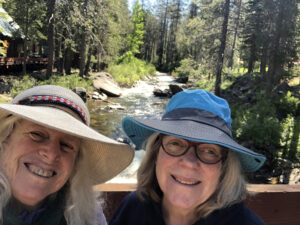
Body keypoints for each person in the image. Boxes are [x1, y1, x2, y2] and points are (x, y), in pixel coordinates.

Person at [109, 89, 266, 225]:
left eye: (209, 151)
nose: (189, 162)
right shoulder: (133, 209)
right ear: (156, 153)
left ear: (224, 168)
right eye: (176, 144)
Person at [0, 85, 134, 225]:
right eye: (36, 134)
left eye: (66, 145)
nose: (51, 154)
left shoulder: (86, 212)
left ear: (76, 163)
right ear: (5, 138)